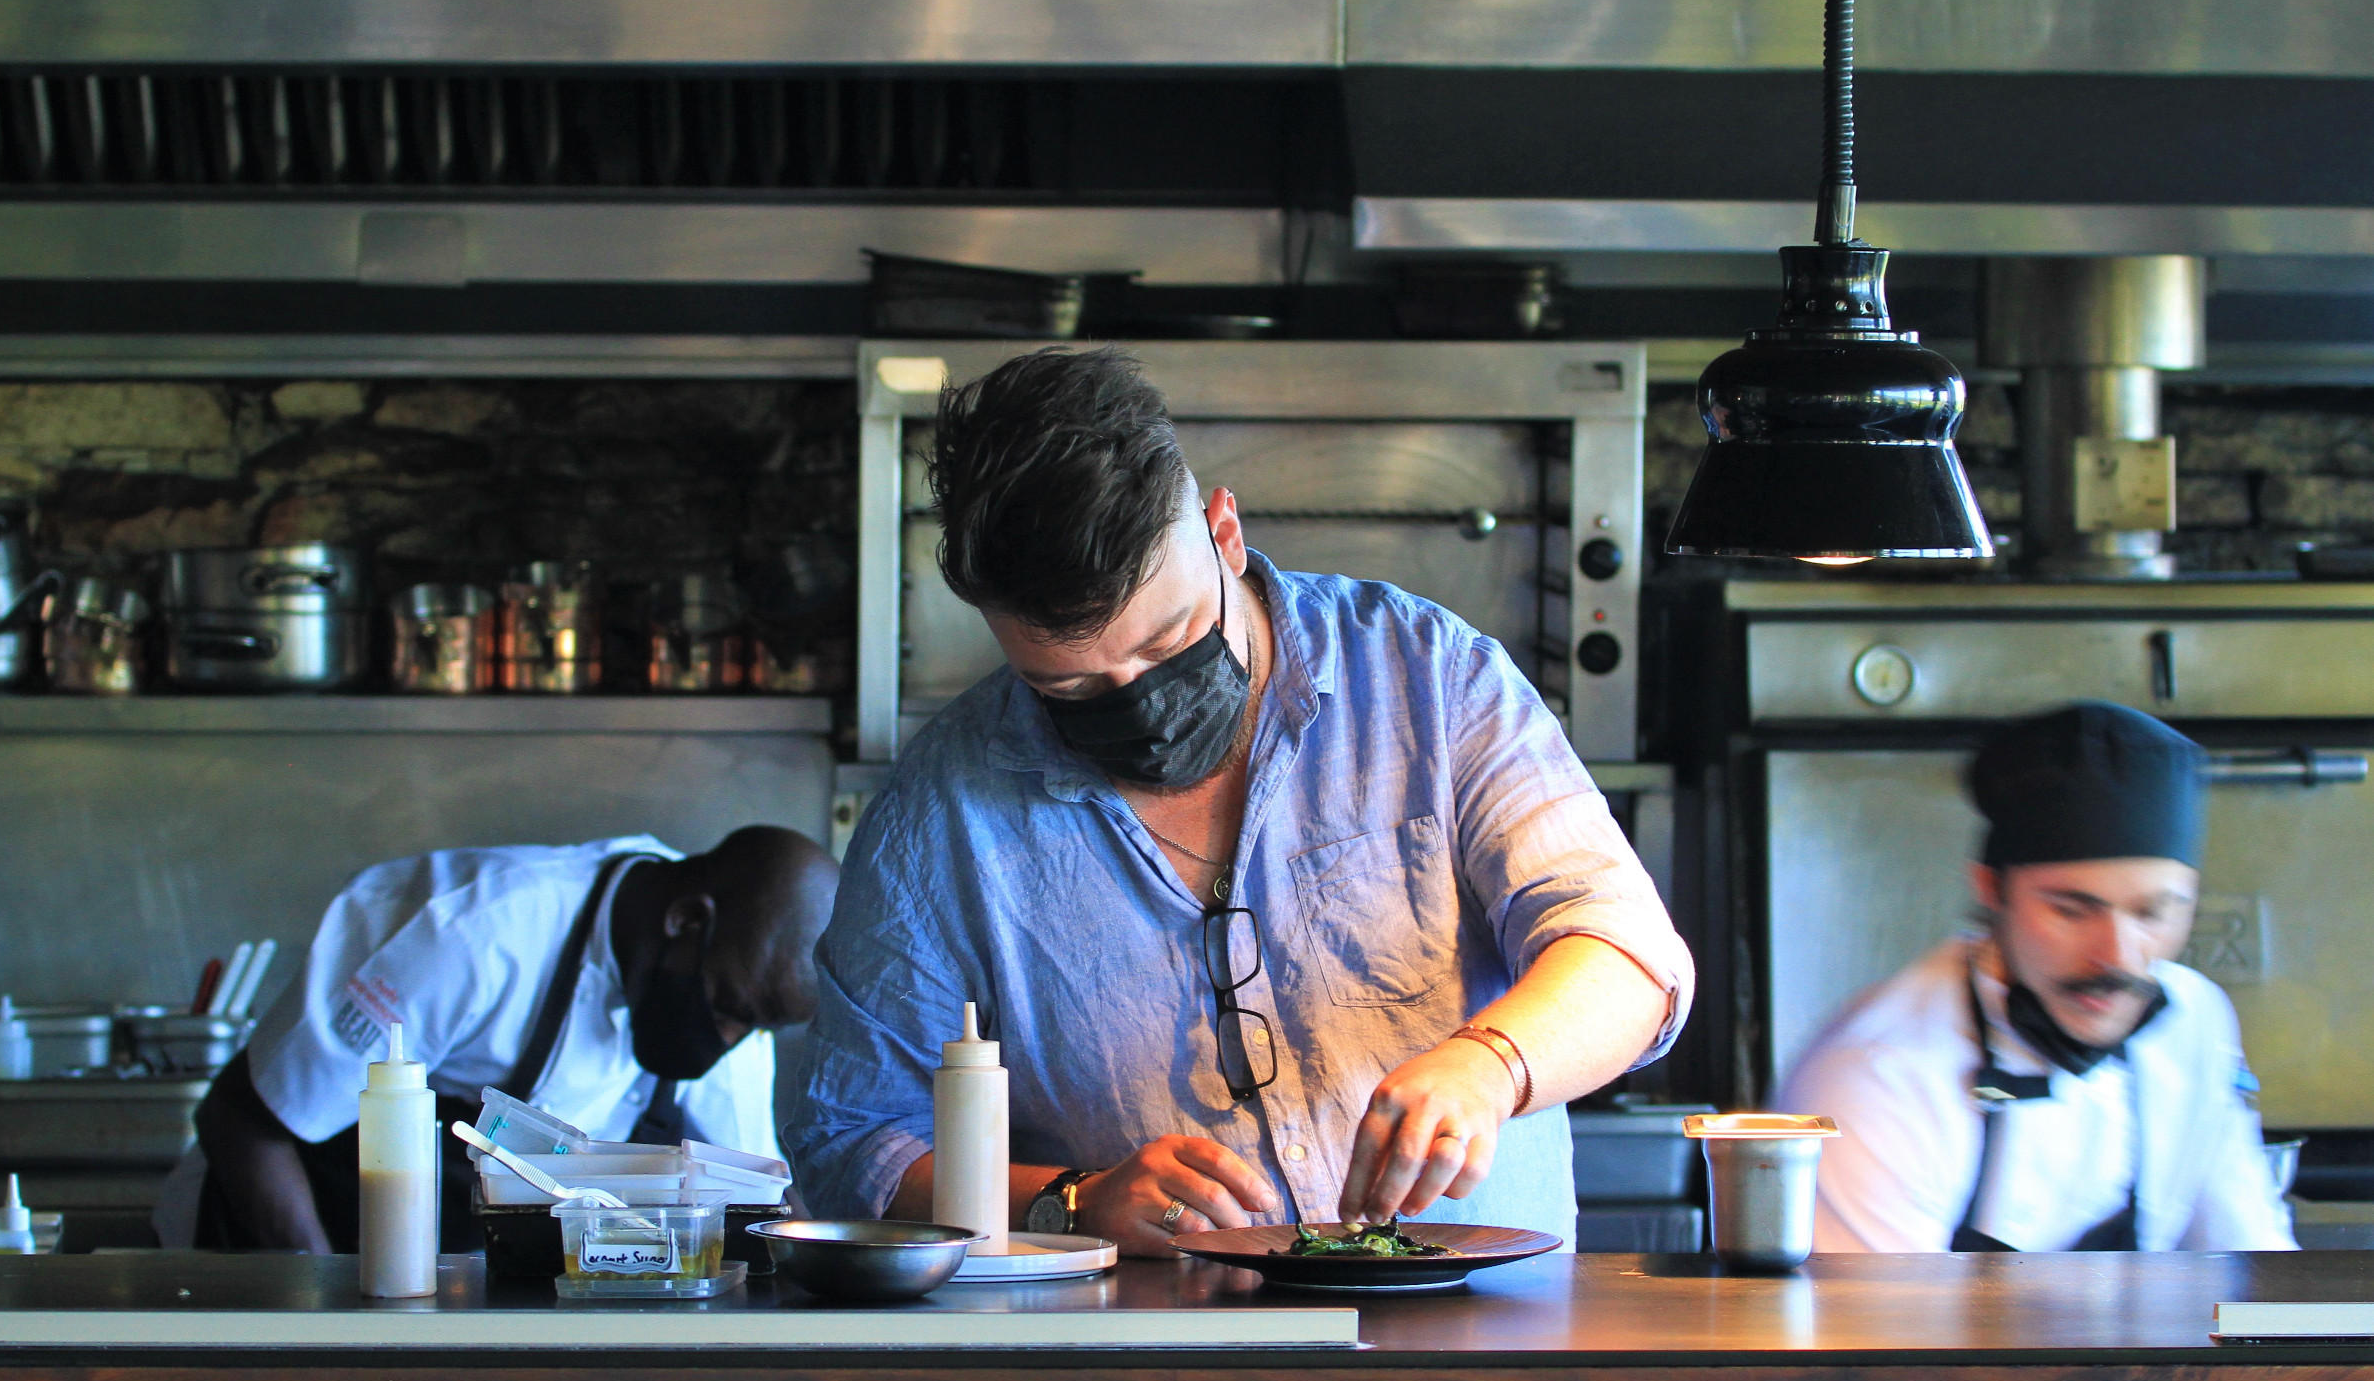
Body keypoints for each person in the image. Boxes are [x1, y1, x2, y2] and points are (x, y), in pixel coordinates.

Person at [783, 347, 1691, 1255]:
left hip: (1484, 1350)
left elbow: (1630, 958)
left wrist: (1491, 1065)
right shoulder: (941, 812)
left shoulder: (1431, 678)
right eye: (1072, 690)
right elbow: (851, 1141)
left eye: (1172, 640)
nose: (1136, 700)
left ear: (1223, 533)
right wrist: (1067, 1202)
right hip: (1158, 1377)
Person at [176, 825, 838, 1252]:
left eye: (755, 1024)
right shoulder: (471, 935)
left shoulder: (733, 972)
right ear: (686, 921)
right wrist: (325, 1322)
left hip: (442, 1294)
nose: (730, 1038)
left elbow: (760, 1201)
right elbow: (242, 1120)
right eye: (729, 1010)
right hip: (269, 1258)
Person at [1788, 702, 2295, 1253]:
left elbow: (2252, 1264)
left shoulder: (2194, 1021)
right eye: (2072, 911)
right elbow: (1874, 1333)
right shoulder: (1882, 1073)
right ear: (1990, 890)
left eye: (2153, 913)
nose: (2117, 958)